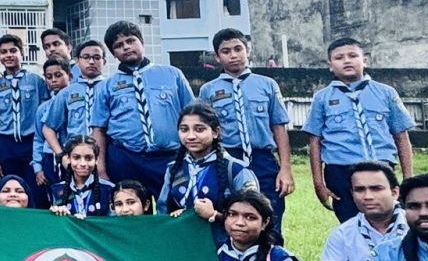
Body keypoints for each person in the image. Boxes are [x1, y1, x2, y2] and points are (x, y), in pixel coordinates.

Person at [305, 37, 416, 224]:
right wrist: (318, 183)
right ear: (330, 65)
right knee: (350, 222)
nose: (347, 61)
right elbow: (314, 141)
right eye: (339, 57)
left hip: (381, 166)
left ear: (364, 60)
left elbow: (401, 136)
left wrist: (408, 180)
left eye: (353, 56)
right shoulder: (322, 98)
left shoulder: (386, 93)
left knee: (388, 219)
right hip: (340, 171)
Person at [199, 29, 295, 229]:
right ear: (217, 57)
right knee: (229, 215)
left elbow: (279, 128)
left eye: (238, 49)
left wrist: (285, 169)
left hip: (262, 159)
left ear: (248, 50)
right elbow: (204, 131)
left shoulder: (267, 85)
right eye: (226, 51)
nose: (233, 55)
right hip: (226, 160)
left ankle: (270, 248)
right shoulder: (208, 90)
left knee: (271, 214)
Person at [91, 20, 195, 191]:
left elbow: (192, 116)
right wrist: (100, 169)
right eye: (119, 45)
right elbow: (98, 130)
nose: (126, 47)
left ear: (142, 42)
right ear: (113, 53)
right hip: (126, 158)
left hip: (170, 157)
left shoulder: (172, 74)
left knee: (175, 202)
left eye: (131, 41)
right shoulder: (106, 86)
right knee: (129, 204)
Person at [158, 102, 257, 240]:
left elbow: (253, 215)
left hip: (224, 244)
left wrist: (214, 215)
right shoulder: (173, 169)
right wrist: (175, 217)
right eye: (184, 130)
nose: (191, 136)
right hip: (183, 242)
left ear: (215, 132)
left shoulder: (236, 169)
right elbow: (162, 212)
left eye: (199, 130)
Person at [0, 34, 45, 187]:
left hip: (31, 141)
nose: (9, 55)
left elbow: (45, 116)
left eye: (13, 51)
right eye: (3, 52)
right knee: (9, 186)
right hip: (5, 143)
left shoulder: (37, 81)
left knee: (34, 187)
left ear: (22, 52)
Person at [41, 40, 107, 165]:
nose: (91, 62)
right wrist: (61, 154)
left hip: (106, 154)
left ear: (104, 61)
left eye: (97, 57)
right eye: (86, 57)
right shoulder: (67, 93)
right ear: (77, 61)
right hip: (76, 156)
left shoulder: (110, 88)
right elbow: (48, 127)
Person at [29, 57, 72, 206]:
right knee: (56, 199)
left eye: (58, 75)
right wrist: (38, 167)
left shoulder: (75, 101)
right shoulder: (43, 108)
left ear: (69, 76)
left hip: (73, 156)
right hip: (50, 158)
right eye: (49, 77)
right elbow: (38, 138)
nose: (54, 80)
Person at [51, 137, 114, 217]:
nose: (83, 163)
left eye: (88, 158)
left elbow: (114, 221)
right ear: (68, 159)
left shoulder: (109, 189)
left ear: (96, 160)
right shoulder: (57, 189)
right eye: (76, 157)